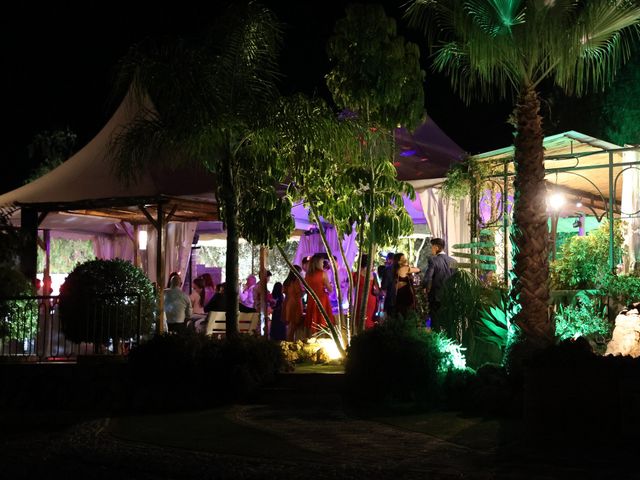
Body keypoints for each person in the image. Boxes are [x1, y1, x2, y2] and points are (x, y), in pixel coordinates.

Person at [421, 238, 456, 331]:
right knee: (448, 322)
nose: (431, 249)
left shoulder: (433, 260)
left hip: (436, 296)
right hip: (449, 297)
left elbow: (428, 277)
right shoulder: (453, 261)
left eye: (431, 247)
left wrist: (424, 287)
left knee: (436, 322)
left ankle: (437, 341)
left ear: (436, 247)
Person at [305, 254, 334, 335]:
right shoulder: (323, 273)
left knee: (313, 322)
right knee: (323, 321)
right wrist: (331, 286)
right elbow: (330, 289)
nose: (323, 264)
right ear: (318, 263)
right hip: (322, 299)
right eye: (322, 262)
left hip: (311, 299)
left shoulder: (308, 274)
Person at [352, 254, 379, 329]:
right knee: (369, 321)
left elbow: (350, 289)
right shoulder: (373, 275)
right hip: (371, 299)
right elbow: (377, 290)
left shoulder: (356, 274)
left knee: (359, 319)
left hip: (360, 299)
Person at [393, 253, 421, 318]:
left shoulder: (396, 270)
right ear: (399, 262)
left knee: (400, 315)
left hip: (399, 295)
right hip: (406, 295)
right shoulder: (405, 269)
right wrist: (409, 266)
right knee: (407, 315)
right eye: (403, 259)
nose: (406, 260)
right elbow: (418, 270)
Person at [283, 265, 304, 341]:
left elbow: (284, 291)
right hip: (295, 303)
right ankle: (290, 342)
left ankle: (288, 340)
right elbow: (300, 292)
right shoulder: (296, 281)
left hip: (287, 303)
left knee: (289, 325)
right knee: (293, 324)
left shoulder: (286, 281)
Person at [380, 252, 396, 316]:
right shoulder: (398, 269)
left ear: (389, 259)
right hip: (398, 299)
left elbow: (384, 286)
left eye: (386, 259)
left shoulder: (387, 270)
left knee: (388, 317)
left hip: (389, 298)